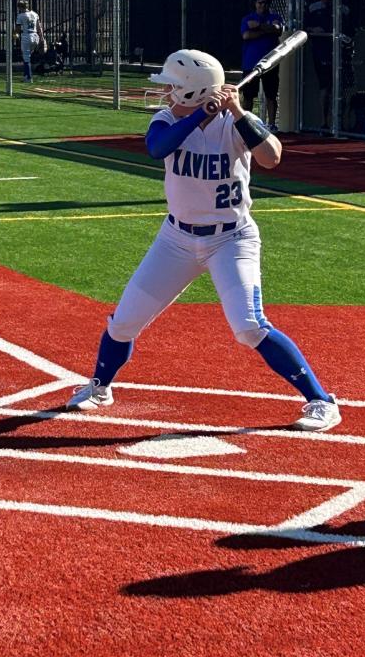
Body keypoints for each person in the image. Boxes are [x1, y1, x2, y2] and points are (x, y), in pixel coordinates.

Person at [67, 47, 341, 432]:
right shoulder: (165, 119)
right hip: (175, 239)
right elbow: (157, 148)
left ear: (195, 90)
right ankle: (100, 386)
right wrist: (200, 114)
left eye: (174, 87)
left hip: (231, 238)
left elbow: (272, 157)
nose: (166, 94)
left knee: (249, 327)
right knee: (123, 321)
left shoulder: (234, 124)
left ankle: (321, 401)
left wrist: (238, 112)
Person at [304, 0, 352, 133]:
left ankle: (341, 122)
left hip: (341, 53)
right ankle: (324, 122)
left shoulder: (343, 10)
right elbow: (304, 28)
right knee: (325, 87)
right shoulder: (313, 8)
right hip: (322, 52)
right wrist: (313, 29)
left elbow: (350, 30)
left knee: (342, 88)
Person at [239, 0, 283, 129]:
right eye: (260, 3)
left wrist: (258, 27)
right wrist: (267, 31)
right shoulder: (247, 18)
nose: (262, 6)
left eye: (265, 3)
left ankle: (271, 124)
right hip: (250, 63)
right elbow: (246, 35)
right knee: (248, 96)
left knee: (271, 94)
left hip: (270, 62)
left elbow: (277, 29)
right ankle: (246, 125)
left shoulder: (275, 16)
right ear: (256, 3)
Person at [14, 0, 45, 83]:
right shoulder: (35, 14)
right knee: (28, 56)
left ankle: (28, 77)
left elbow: (17, 29)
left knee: (26, 58)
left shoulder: (21, 15)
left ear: (20, 7)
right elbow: (39, 27)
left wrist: (15, 36)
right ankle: (25, 75)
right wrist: (42, 38)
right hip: (35, 36)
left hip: (27, 36)